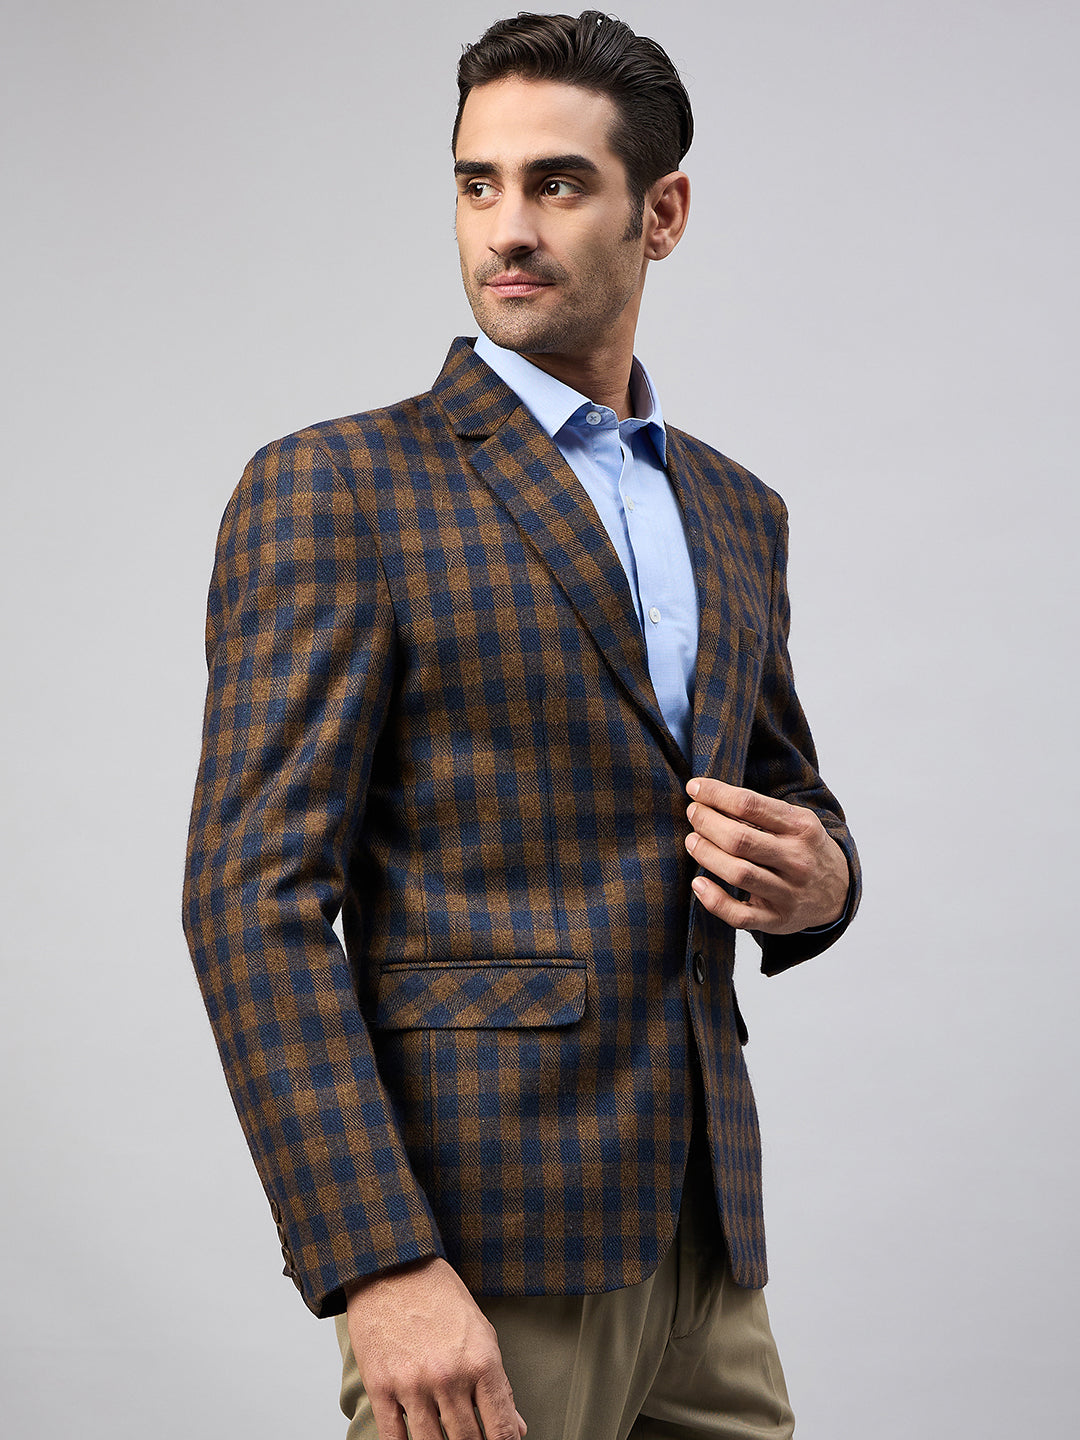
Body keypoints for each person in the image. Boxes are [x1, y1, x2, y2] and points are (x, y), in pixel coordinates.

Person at [183, 11, 861, 1439]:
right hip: (480, 1249)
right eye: (476, 184)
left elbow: (785, 793)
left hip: (706, 1246)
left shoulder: (737, 510)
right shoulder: (339, 487)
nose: (506, 227)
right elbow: (249, 900)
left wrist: (826, 880)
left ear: (660, 214)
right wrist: (378, 1261)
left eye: (557, 183)